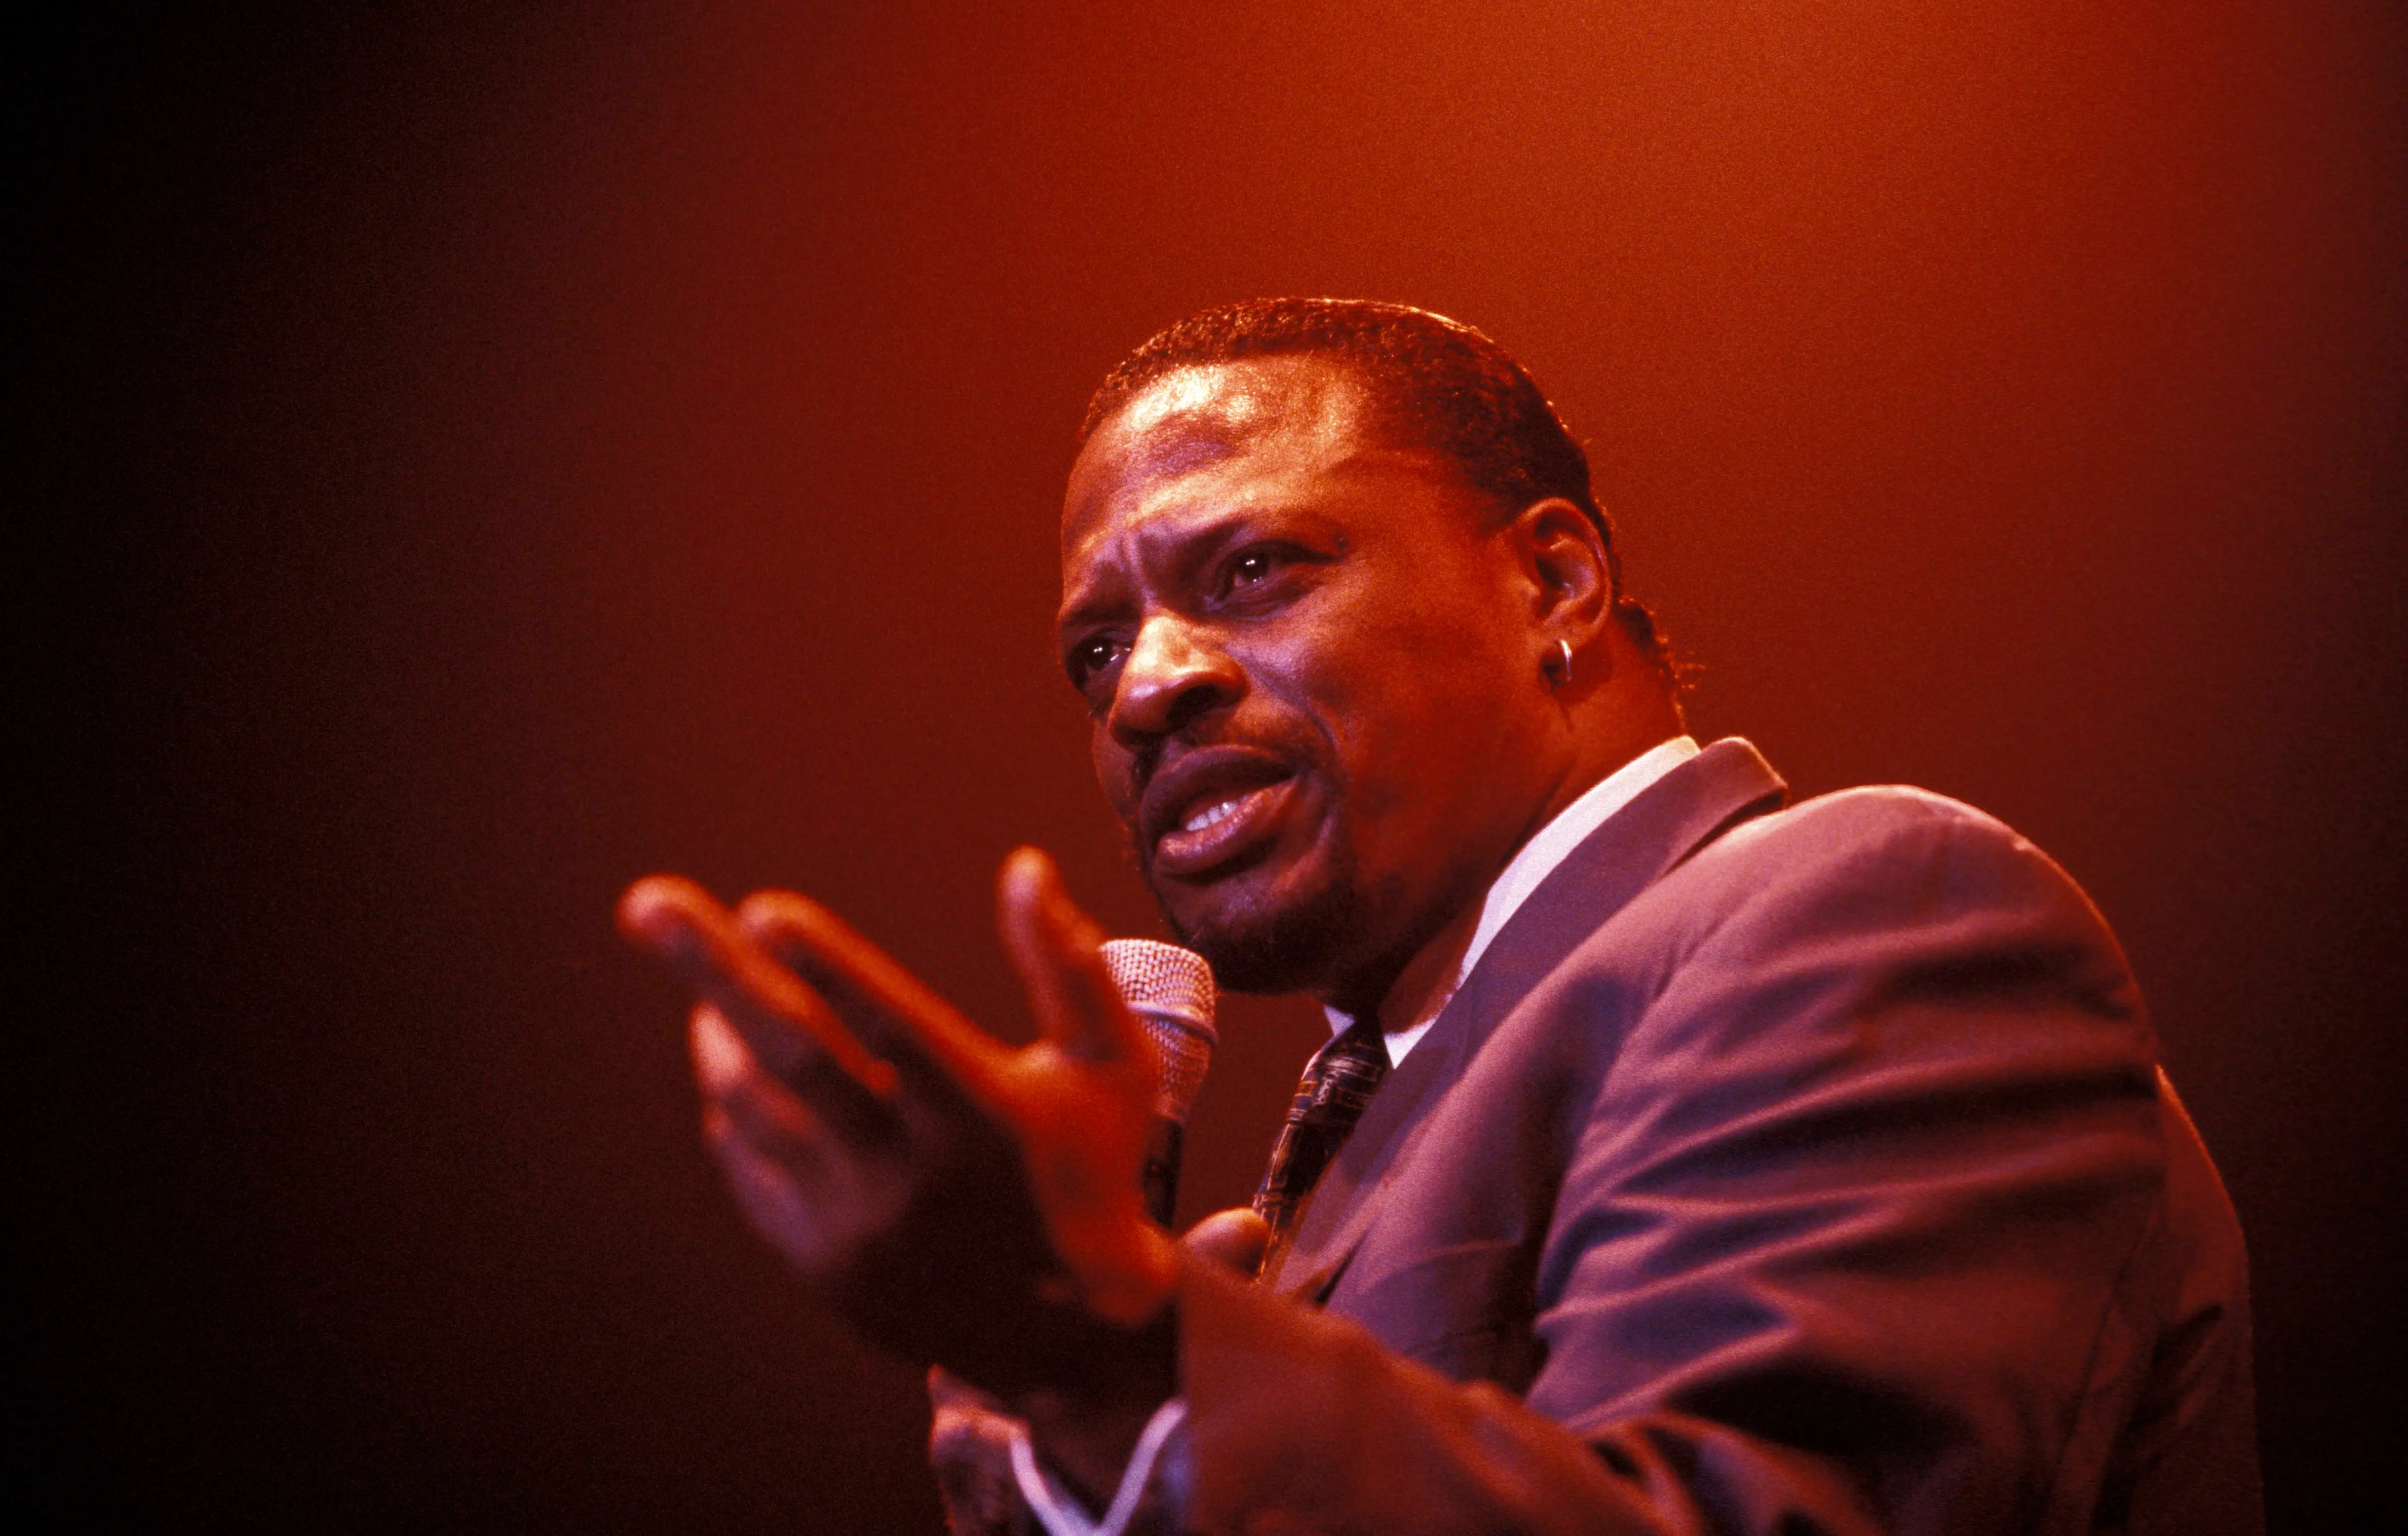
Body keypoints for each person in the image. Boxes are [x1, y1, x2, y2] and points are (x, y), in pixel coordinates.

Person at [618, 300, 2259, 1535]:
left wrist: (1115, 1365)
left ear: (1552, 584)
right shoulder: (1346, 1135)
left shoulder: (1860, 917)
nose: (1148, 688)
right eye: (1095, 650)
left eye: (1255, 570)